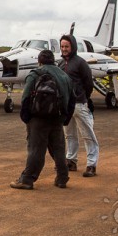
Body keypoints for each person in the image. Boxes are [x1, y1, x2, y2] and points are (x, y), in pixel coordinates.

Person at [10, 50, 75, 190]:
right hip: (57, 117)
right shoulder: (65, 76)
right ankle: (62, 178)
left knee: (36, 149)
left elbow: (26, 97)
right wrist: (65, 118)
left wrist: (26, 117)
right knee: (58, 148)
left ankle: (27, 179)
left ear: (39, 61)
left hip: (38, 118)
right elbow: (72, 99)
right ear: (53, 61)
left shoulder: (35, 74)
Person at [59, 34, 99, 177]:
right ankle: (71, 160)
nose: (64, 49)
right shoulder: (61, 64)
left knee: (88, 135)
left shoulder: (81, 63)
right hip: (66, 106)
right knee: (69, 135)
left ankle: (91, 164)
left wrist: (84, 98)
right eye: (62, 46)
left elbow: (88, 83)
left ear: (73, 47)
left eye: (67, 46)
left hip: (80, 104)